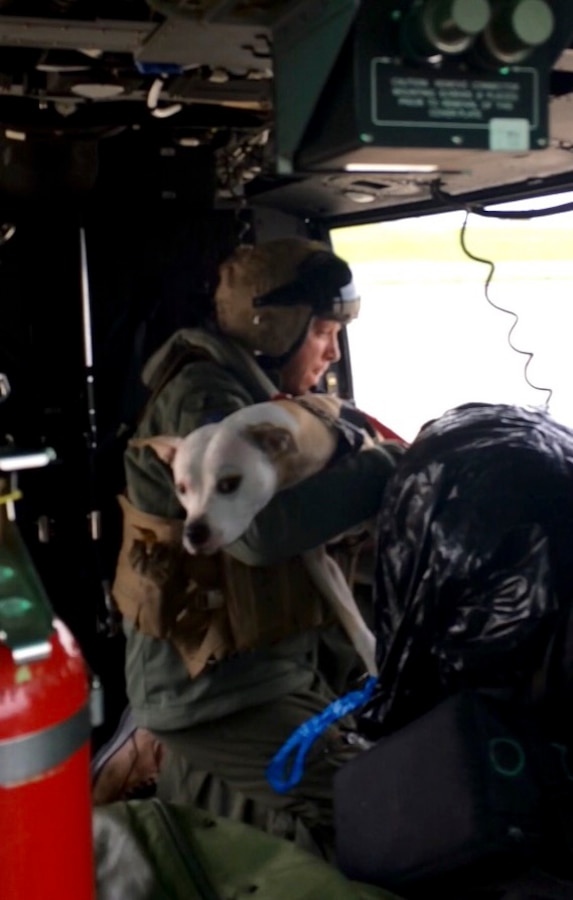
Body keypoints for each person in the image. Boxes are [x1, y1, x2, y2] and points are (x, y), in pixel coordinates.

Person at [94, 237, 403, 858]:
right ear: (275, 327)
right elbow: (256, 534)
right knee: (380, 809)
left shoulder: (248, 394)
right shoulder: (204, 398)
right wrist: (387, 468)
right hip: (218, 695)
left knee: (220, 848)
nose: (333, 350)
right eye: (323, 330)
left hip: (249, 675)